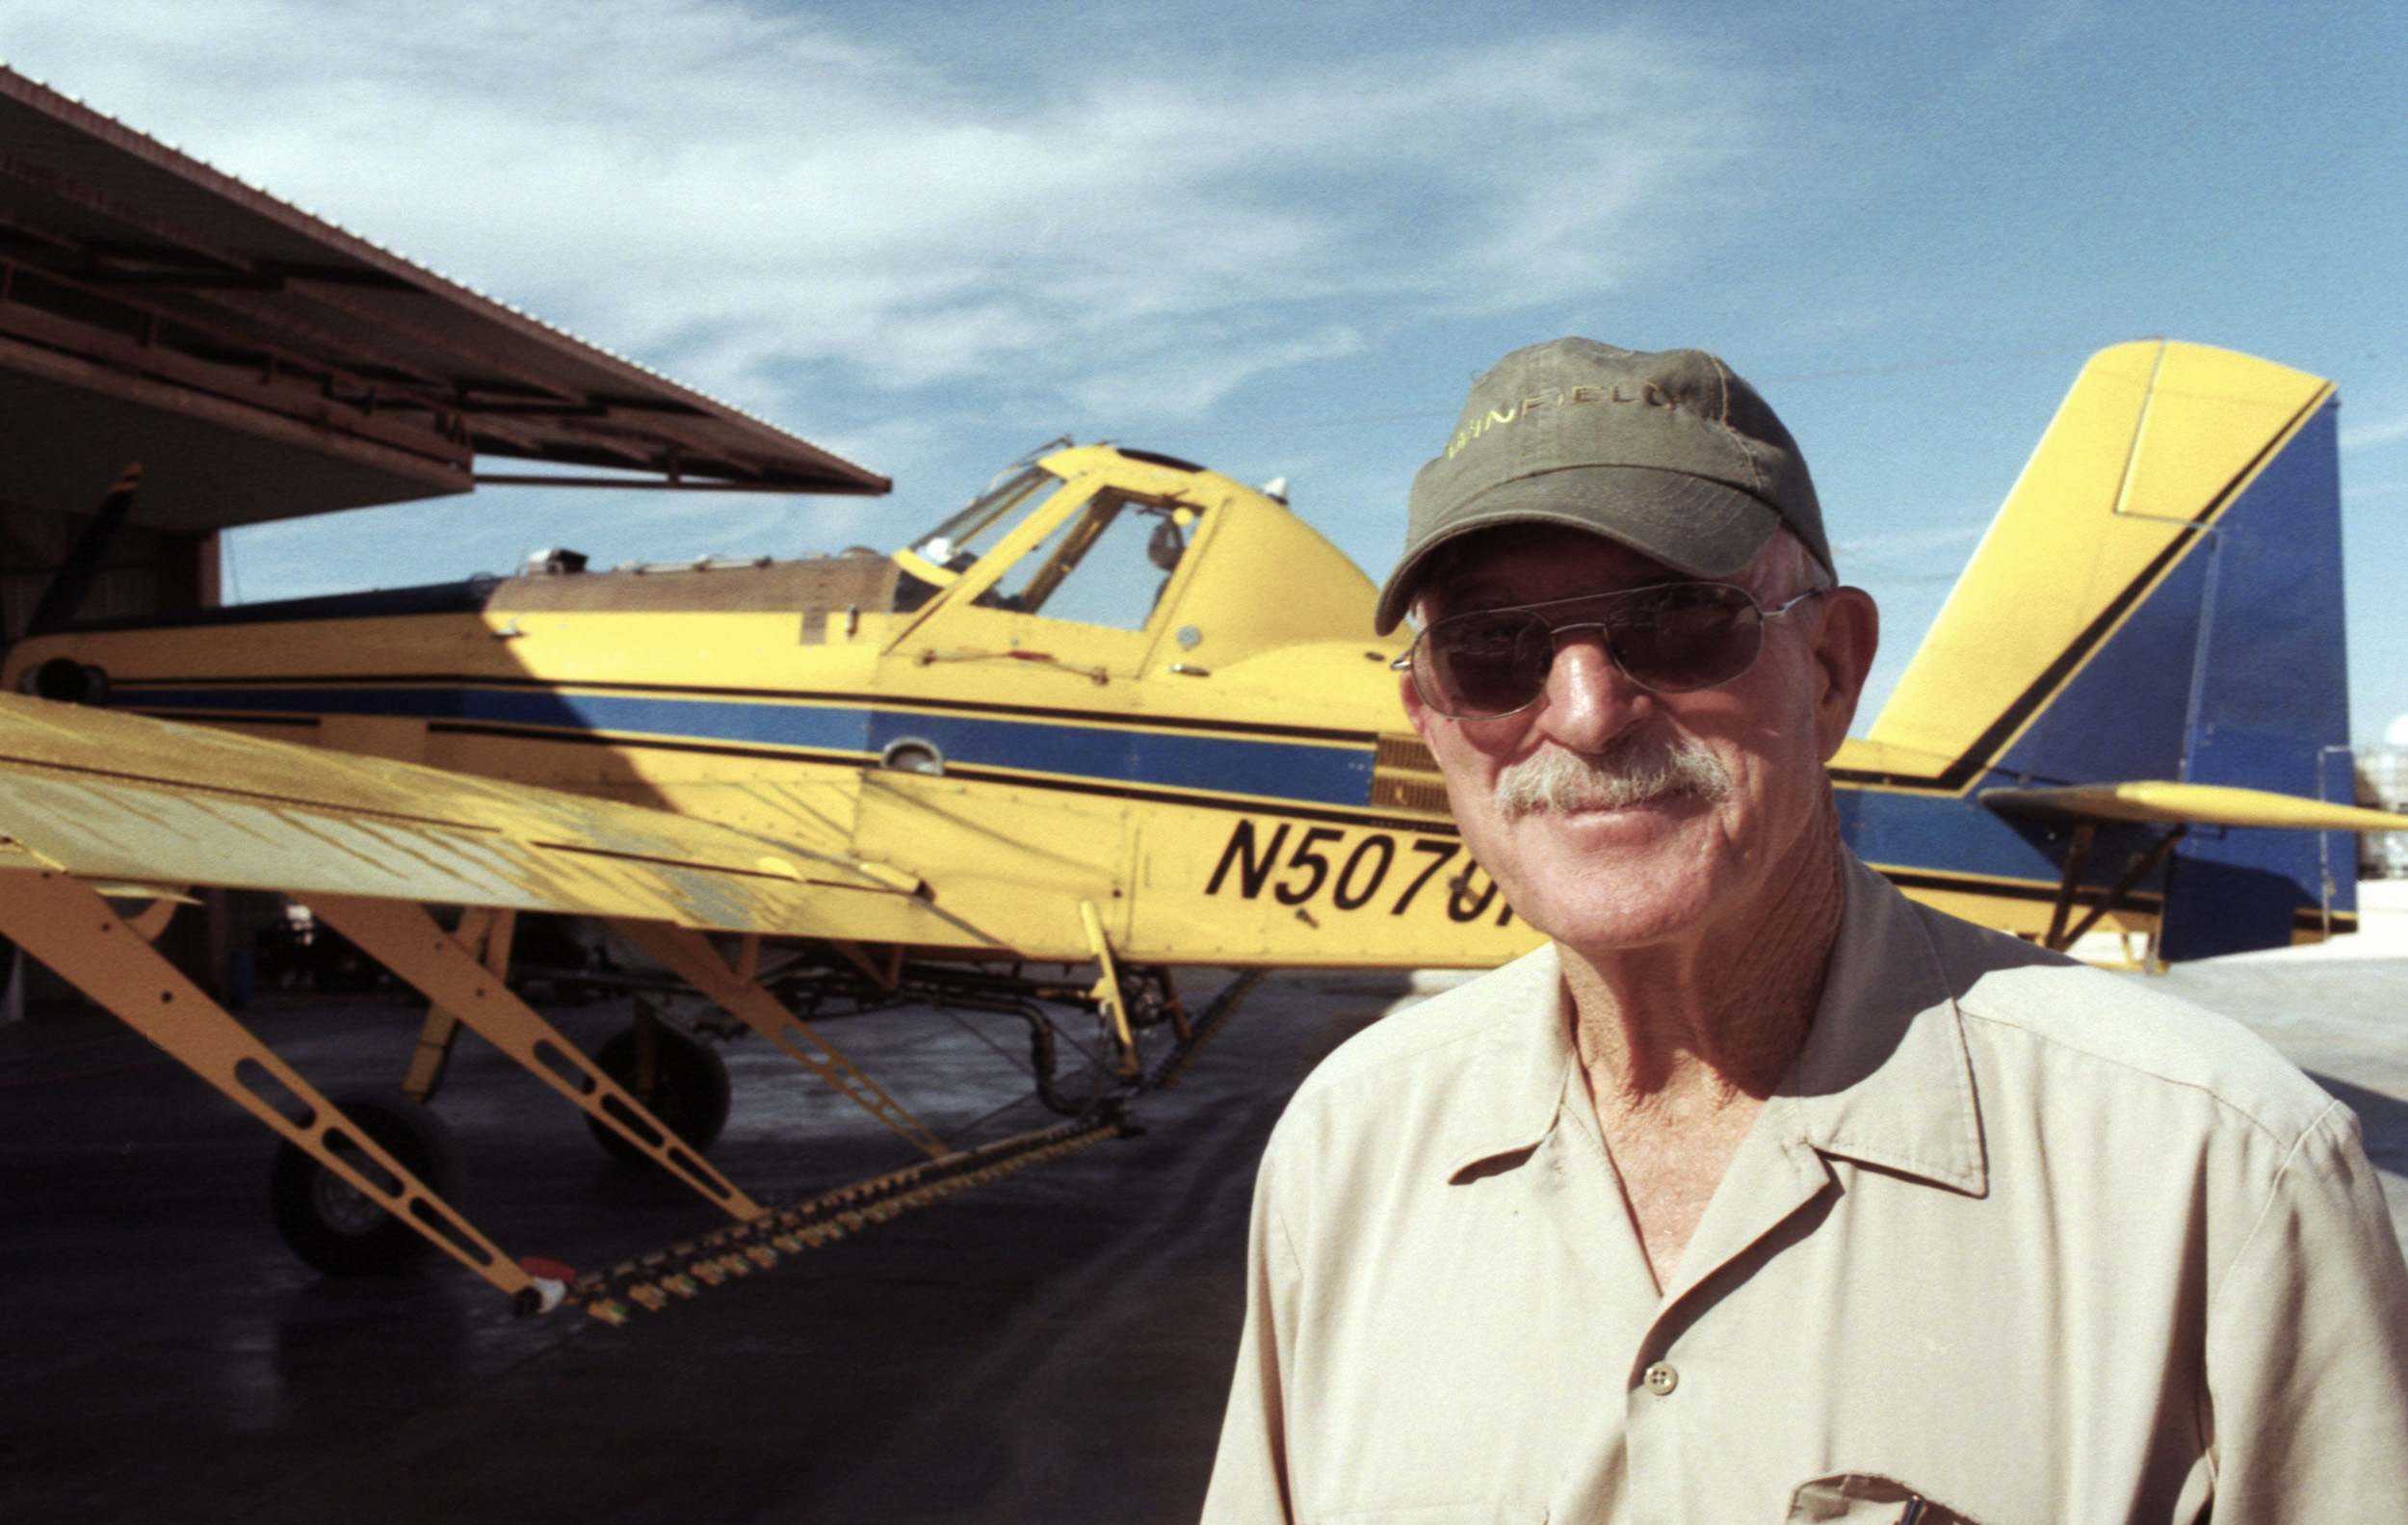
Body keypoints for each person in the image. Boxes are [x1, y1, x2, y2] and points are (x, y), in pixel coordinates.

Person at [1200, 338, 2408, 1523]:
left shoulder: (2223, 1166)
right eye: (1489, 649)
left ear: (1829, 665)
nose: (1582, 710)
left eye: (1677, 616)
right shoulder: (1341, 1148)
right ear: (1429, 714)